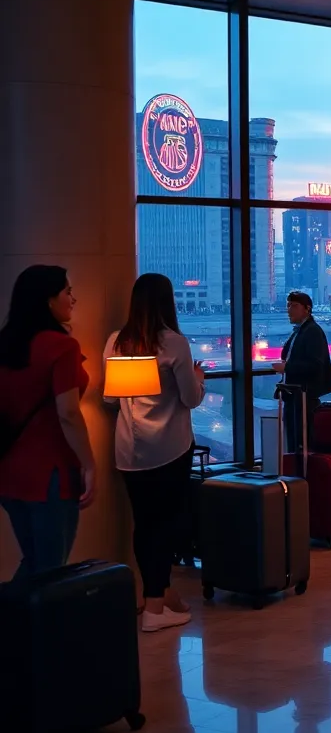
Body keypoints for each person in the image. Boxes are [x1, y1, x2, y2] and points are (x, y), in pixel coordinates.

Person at [104, 273, 206, 631]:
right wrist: (200, 379)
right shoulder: (174, 344)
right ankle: (154, 607)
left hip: (130, 451)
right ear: (168, 302)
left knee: (144, 525)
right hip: (170, 448)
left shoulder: (116, 342)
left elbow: (109, 398)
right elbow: (190, 399)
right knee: (166, 524)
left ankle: (159, 597)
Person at [0, 265, 94, 579]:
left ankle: (17, 625)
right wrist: (89, 464)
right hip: (50, 473)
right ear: (48, 300)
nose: (73, 299)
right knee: (51, 571)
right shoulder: (62, 347)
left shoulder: (6, 345)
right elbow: (68, 413)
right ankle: (33, 628)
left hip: (10, 470)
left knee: (34, 562)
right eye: (67, 291)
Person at [273, 291, 331, 454]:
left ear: (307, 309)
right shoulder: (299, 331)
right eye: (288, 305)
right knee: (293, 440)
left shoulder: (313, 331)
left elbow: (315, 365)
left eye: (294, 306)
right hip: (294, 394)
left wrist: (287, 368)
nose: (289, 309)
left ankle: (303, 474)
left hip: (304, 396)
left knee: (302, 441)